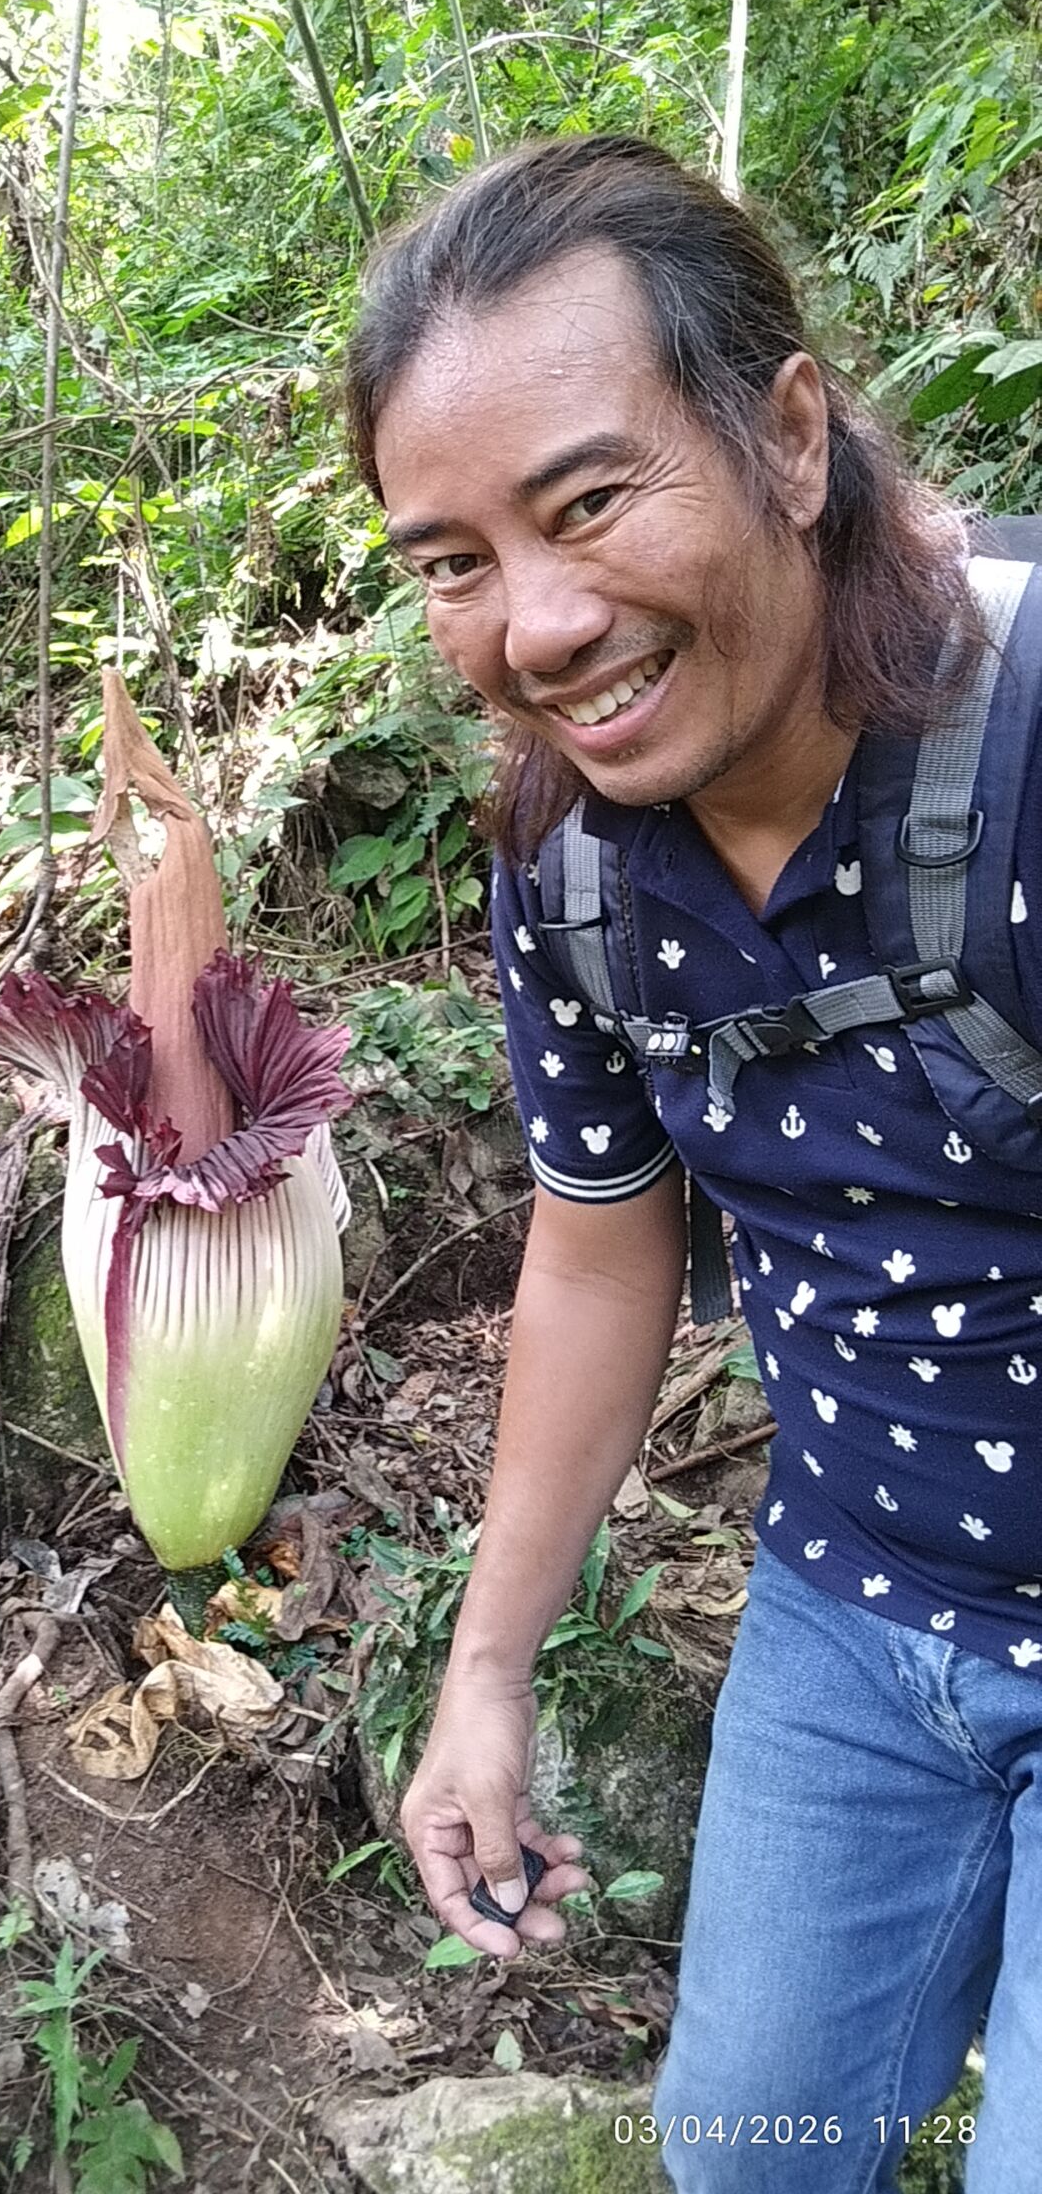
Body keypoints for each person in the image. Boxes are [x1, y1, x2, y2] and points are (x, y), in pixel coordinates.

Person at [344, 134, 1042, 2193]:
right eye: (452, 561)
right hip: (857, 1614)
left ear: (790, 438)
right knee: (745, 2150)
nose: (540, 624)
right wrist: (485, 1673)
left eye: (588, 502)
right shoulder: (572, 865)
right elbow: (596, 1245)